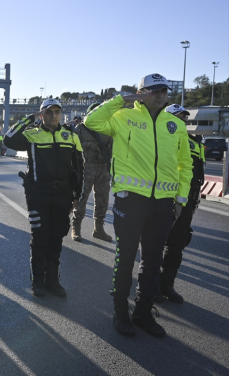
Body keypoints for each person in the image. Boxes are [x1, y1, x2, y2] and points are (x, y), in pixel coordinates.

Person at [85, 74, 193, 338]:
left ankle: (143, 312)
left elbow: (185, 164)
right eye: (153, 90)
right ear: (140, 92)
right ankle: (120, 311)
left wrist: (180, 199)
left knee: (153, 261)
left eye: (164, 90)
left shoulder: (174, 124)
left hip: (163, 204)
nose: (160, 94)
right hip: (131, 200)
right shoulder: (122, 117)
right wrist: (122, 100)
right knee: (125, 259)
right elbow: (92, 121)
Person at [3, 98, 84, 298]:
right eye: (49, 112)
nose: (53, 115)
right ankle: (38, 280)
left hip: (63, 195)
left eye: (57, 111)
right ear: (42, 115)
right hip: (38, 193)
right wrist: (28, 119)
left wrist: (77, 194)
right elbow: (8, 139)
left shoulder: (70, 135)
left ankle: (53, 280)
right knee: (40, 238)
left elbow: (79, 166)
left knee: (56, 238)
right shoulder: (31, 134)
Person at [154, 104, 205, 304]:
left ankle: (167, 284)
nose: (182, 122)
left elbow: (196, 175)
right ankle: (153, 285)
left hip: (187, 202)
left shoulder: (196, 143)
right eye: (177, 118)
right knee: (156, 245)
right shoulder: (161, 140)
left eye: (184, 118)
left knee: (177, 246)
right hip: (165, 200)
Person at [72, 103, 113, 242]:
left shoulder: (108, 129)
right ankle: (76, 227)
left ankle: (98, 229)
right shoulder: (80, 129)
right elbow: (74, 149)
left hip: (103, 168)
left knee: (103, 200)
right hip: (86, 166)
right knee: (81, 199)